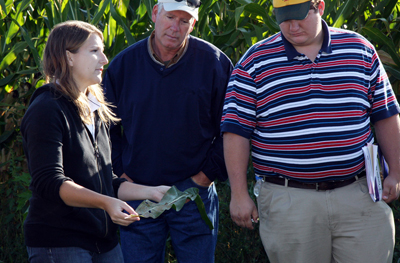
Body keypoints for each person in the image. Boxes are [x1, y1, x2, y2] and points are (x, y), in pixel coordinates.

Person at [221, 0, 400, 262]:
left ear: (320, 7)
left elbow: (386, 115)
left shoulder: (360, 49)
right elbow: (236, 131)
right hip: (288, 201)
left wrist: (396, 172)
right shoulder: (254, 61)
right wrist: (238, 194)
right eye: (284, 19)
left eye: (299, 17)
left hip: (360, 194)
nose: (292, 26)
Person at [21, 20, 170, 263]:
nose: (104, 60)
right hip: (60, 242)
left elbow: (105, 182)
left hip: (104, 242)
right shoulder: (46, 109)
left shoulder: (94, 108)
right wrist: (106, 203)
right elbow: (50, 182)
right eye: (94, 51)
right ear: (69, 57)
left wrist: (152, 192)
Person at [102, 0, 233, 262]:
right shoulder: (123, 66)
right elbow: (105, 128)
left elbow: (232, 129)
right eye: (170, 17)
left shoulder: (215, 64)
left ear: (193, 24)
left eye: (184, 21)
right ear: (154, 13)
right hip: (138, 193)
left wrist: (205, 176)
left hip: (194, 194)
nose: (175, 27)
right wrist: (122, 175)